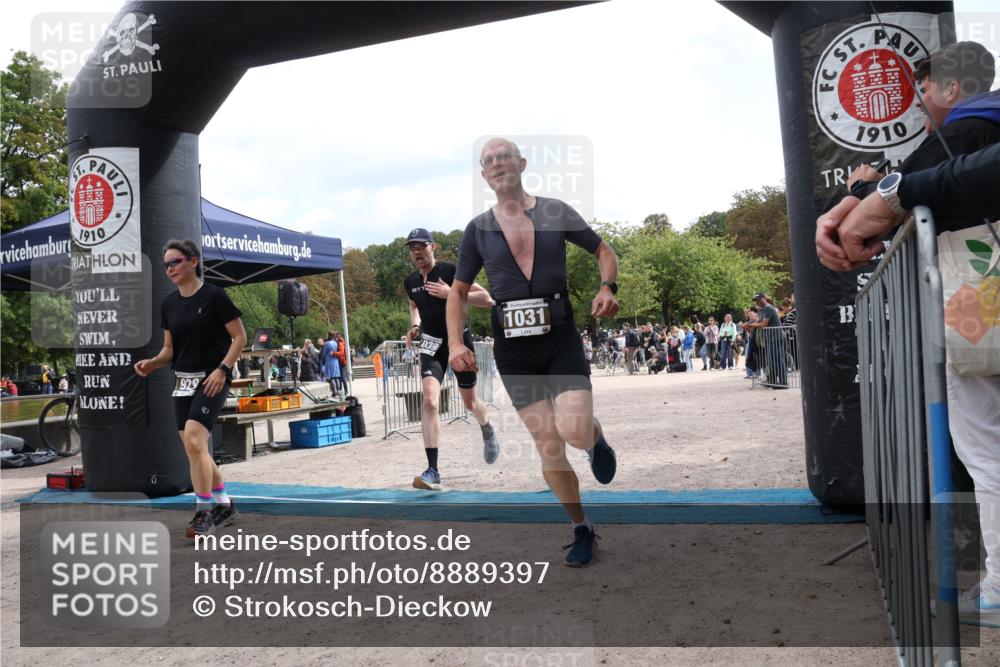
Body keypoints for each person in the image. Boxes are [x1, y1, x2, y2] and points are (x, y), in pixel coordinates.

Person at [817, 143, 1000, 626]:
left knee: (983, 451)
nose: (920, 91)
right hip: (974, 299)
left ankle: (999, 588)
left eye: (927, 81)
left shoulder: (969, 122)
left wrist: (866, 190)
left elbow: (915, 185)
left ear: (957, 85)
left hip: (975, 299)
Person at [447, 137, 618, 567]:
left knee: (574, 431)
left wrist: (607, 286)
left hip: (559, 337)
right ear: (484, 176)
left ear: (521, 163)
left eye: (504, 156)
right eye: (488, 161)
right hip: (514, 351)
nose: (497, 163)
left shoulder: (555, 211)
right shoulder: (477, 230)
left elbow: (602, 249)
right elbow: (459, 293)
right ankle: (581, 529)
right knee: (549, 444)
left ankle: (595, 439)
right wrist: (453, 343)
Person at [134, 239, 246, 538]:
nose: (170, 268)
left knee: (196, 442)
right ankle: (224, 503)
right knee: (193, 448)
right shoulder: (169, 304)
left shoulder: (215, 297)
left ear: (193, 261)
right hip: (182, 381)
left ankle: (203, 512)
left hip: (212, 378)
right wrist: (153, 363)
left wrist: (223, 370)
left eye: (176, 262)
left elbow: (239, 338)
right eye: (166, 264)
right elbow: (169, 349)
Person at [403, 227, 501, 490]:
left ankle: (487, 426)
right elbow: (415, 305)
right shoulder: (411, 281)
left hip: (459, 343)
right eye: (412, 248)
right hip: (432, 345)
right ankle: (432, 470)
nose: (416, 252)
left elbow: (487, 298)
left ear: (432, 247)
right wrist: (415, 326)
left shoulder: (450, 271)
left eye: (421, 246)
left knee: (469, 402)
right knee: (429, 400)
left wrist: (452, 294)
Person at [743, 293, 787, 388]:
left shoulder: (768, 308)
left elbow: (764, 324)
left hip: (777, 337)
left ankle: (783, 382)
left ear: (764, 298)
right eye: (756, 300)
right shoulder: (762, 310)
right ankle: (773, 381)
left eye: (759, 299)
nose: (757, 302)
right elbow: (758, 321)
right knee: (771, 360)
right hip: (771, 338)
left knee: (778, 360)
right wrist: (747, 324)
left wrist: (750, 326)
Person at [321, 332, 342, 397]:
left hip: (330, 361)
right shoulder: (336, 343)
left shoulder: (327, 343)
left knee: (331, 377)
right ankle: (339, 391)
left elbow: (324, 353)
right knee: (336, 377)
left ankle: (334, 392)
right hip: (336, 361)